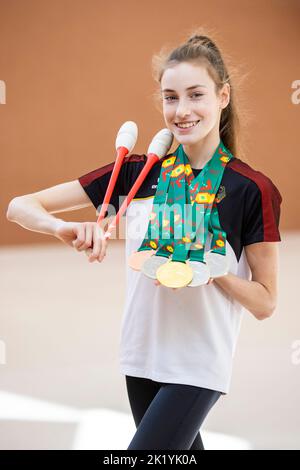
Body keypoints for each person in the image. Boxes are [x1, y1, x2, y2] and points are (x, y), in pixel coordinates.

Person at [6, 31, 282, 451]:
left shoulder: (250, 188)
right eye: (171, 97)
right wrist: (61, 229)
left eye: (196, 95)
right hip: (140, 356)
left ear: (222, 96)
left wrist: (212, 269)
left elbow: (265, 302)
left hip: (196, 366)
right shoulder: (137, 173)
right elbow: (20, 206)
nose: (182, 110)